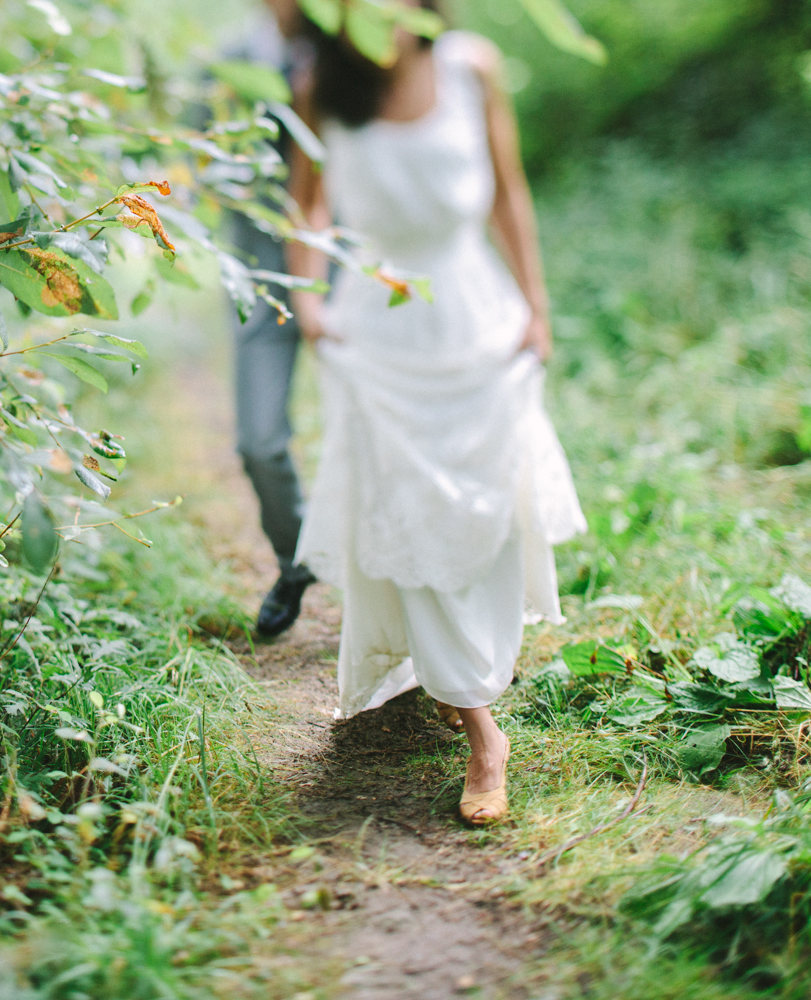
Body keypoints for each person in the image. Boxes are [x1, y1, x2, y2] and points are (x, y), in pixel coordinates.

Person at [285, 2, 586, 824]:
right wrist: (309, 301)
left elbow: (507, 192)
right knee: (408, 514)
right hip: (379, 330)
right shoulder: (323, 88)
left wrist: (536, 307)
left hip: (474, 316)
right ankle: (484, 732)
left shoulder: (471, 67)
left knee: (486, 504)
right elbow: (305, 204)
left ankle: (467, 674)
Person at [229, 0, 324, 639]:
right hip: (267, 278)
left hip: (353, 276)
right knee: (258, 440)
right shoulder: (233, 63)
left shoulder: (363, 59)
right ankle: (297, 563)